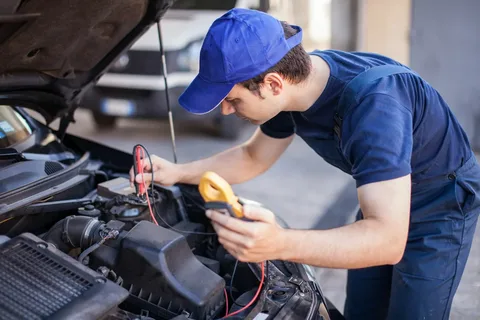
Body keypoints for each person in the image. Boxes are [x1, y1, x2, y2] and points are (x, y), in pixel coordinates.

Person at [129, 8, 480, 320]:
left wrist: (279, 243)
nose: (225, 110)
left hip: (440, 202)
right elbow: (252, 157)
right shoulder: (295, 90)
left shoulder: (375, 106)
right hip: (384, 198)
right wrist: (175, 172)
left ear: (272, 83)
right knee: (364, 309)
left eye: (232, 99)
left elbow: (387, 240)